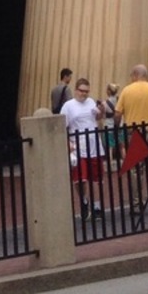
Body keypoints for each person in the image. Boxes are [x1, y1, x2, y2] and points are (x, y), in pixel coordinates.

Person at [61, 77, 105, 219]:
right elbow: (62, 126)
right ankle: (84, 201)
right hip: (78, 146)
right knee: (80, 179)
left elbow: (97, 118)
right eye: (82, 91)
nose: (84, 94)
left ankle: (97, 206)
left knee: (96, 178)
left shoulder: (91, 102)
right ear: (76, 90)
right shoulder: (68, 106)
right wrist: (68, 143)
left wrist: (101, 112)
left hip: (93, 144)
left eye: (87, 91)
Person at [115, 64, 148, 128]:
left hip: (132, 130)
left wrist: (116, 129)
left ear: (135, 75)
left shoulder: (126, 91)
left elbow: (118, 114)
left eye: (131, 76)